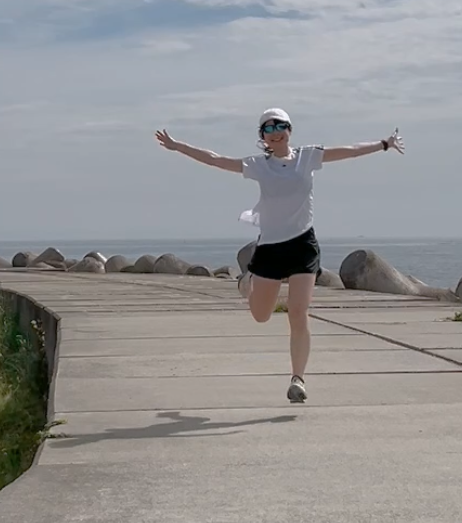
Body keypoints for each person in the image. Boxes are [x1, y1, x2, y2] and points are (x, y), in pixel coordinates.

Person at [154, 107, 404, 403]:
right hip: (270, 248)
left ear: (289, 129)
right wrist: (177, 146)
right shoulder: (259, 165)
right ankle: (246, 282)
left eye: (279, 126)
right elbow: (215, 159)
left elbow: (348, 151)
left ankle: (298, 379)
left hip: (303, 245)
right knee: (261, 315)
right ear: (262, 137)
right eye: (267, 129)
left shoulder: (308, 157)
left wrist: (383, 144)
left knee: (299, 313)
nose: (274, 133)